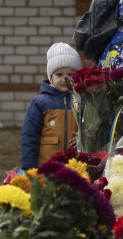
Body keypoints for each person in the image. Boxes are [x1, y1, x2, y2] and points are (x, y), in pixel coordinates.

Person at [21, 42, 82, 170]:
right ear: (51, 78)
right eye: (59, 74)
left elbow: (89, 128)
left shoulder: (82, 101)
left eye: (70, 74)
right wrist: (29, 166)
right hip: (46, 167)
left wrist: (82, 137)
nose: (64, 79)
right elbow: (29, 136)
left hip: (75, 167)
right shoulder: (40, 103)